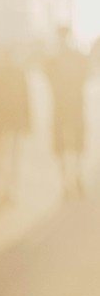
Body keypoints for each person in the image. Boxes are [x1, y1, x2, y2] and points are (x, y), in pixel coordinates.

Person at [44, 26, 89, 199]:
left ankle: (74, 177)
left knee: (73, 144)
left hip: (67, 106)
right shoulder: (69, 58)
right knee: (67, 144)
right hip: (68, 106)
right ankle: (68, 180)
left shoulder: (54, 59)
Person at [0, 47, 31, 204]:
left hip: (12, 120)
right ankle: (2, 188)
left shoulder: (17, 74)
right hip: (3, 120)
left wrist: (27, 122)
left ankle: (9, 189)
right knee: (4, 156)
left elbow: (26, 98)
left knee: (11, 156)